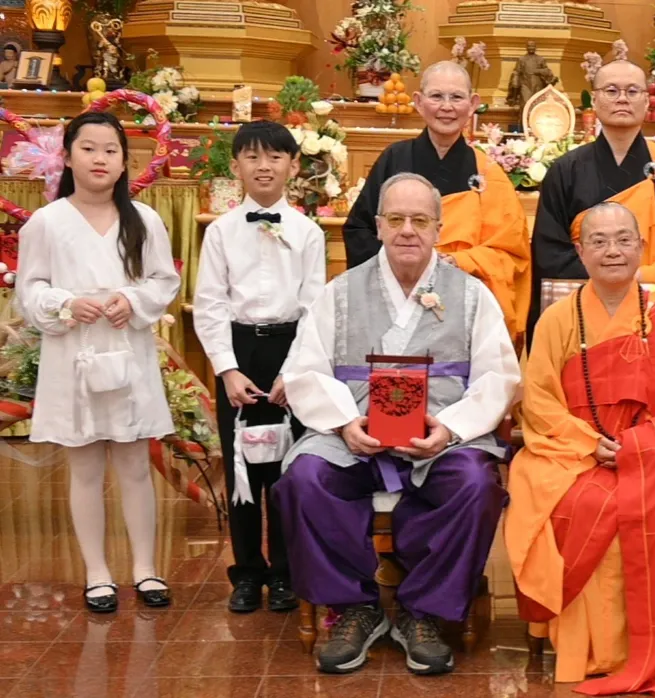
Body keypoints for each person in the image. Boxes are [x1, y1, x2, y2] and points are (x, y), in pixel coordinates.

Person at [273, 172, 520, 675]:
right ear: (379, 225)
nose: (408, 230)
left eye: (420, 220)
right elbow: (304, 369)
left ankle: (421, 611)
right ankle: (355, 607)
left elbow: (499, 375)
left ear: (439, 228)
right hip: (354, 437)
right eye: (397, 219)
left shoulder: (472, 295)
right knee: (304, 480)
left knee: (476, 484)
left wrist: (448, 429)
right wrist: (344, 423)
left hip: (440, 440)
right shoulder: (339, 292)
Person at [505, 202, 655, 694]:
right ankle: (583, 646)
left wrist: (637, 447)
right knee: (586, 501)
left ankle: (638, 646)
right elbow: (537, 401)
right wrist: (590, 444)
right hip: (570, 453)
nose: (612, 251)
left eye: (623, 239)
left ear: (641, 248)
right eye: (598, 241)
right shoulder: (557, 319)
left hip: (653, 454)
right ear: (579, 252)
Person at [16, 111, 181, 613]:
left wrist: (132, 301)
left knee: (134, 463)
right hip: (73, 354)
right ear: (67, 156)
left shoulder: (144, 219)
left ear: (124, 162)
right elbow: (30, 289)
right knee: (84, 465)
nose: (100, 158)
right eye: (88, 148)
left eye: (111, 150)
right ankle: (97, 572)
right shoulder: (47, 221)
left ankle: (145, 568)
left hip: (126, 350)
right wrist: (65, 303)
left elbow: (163, 281)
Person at [193, 120, 325, 614]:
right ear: (236, 167)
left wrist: (294, 372)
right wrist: (227, 369)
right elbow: (208, 305)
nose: (264, 165)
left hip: (292, 352)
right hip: (240, 353)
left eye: (274, 157)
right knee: (243, 467)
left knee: (288, 468)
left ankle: (289, 574)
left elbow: (315, 308)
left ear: (293, 165)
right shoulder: (221, 232)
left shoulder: (309, 232)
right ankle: (248, 572)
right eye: (252, 156)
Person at [341, 61, 530, 345]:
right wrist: (400, 270)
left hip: (463, 300)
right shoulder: (395, 159)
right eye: (436, 96)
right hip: (395, 298)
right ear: (418, 102)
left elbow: (511, 254)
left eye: (456, 97)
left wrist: (457, 262)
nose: (447, 107)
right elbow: (359, 229)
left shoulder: (489, 172)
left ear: (472, 104)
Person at [529, 60, 655, 342]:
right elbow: (550, 251)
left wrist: (640, 276)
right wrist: (610, 280)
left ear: (647, 101)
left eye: (633, 91)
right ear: (595, 100)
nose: (622, 98)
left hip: (652, 307)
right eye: (611, 90)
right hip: (583, 311)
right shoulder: (565, 170)